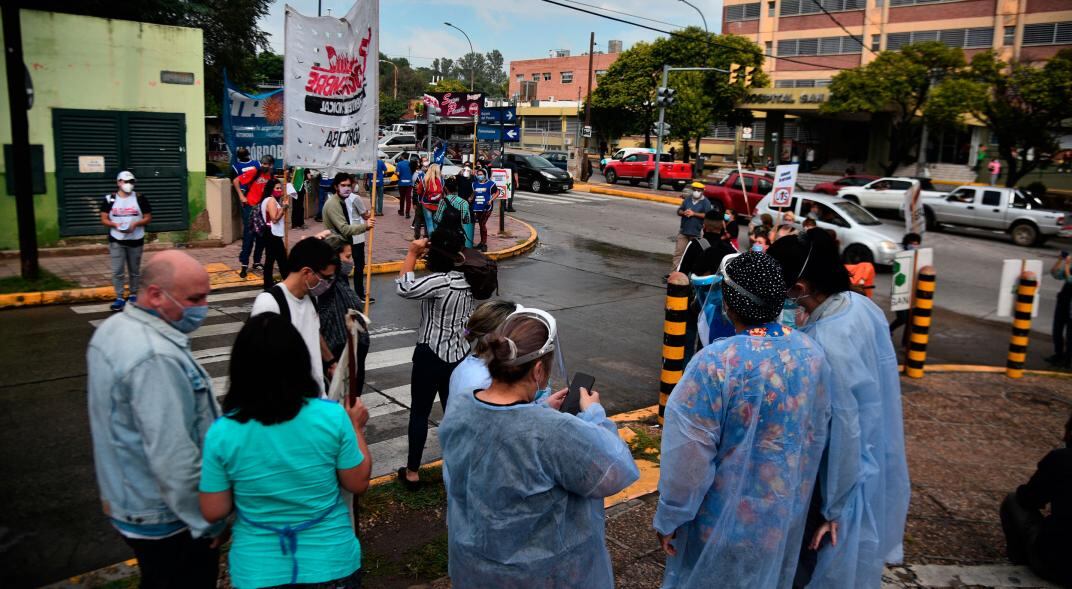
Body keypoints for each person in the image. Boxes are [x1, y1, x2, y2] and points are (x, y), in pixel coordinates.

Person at [654, 251, 832, 589]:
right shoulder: (810, 354)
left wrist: (670, 517)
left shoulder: (716, 364)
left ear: (729, 303)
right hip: (782, 516)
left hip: (719, 520)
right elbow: (817, 434)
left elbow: (687, 459)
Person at [439, 310, 639, 588]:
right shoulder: (553, 432)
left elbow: (498, 435)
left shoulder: (461, 407)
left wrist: (540, 408)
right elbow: (615, 470)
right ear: (537, 371)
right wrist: (594, 414)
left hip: (475, 568)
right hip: (544, 577)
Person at [767, 229, 910, 589]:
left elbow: (844, 432)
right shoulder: (862, 306)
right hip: (872, 456)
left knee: (812, 563)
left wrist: (834, 507)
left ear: (799, 288)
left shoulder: (823, 345)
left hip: (836, 477)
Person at [199, 313, 372, 589]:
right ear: (300, 361)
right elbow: (357, 481)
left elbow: (213, 509)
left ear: (241, 368)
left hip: (258, 568)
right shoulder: (331, 417)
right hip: (331, 561)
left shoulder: (222, 432)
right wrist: (357, 428)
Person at [87, 250, 224, 588]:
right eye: (194, 299)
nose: (203, 307)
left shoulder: (115, 329)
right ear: (155, 295)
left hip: (131, 500)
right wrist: (208, 522)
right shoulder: (155, 358)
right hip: (169, 519)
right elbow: (173, 457)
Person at [395, 229, 474, 487]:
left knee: (419, 413)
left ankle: (413, 472)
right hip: (458, 356)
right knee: (453, 413)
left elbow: (405, 288)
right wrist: (460, 335)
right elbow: (471, 323)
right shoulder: (469, 279)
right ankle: (458, 466)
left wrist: (411, 253)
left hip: (430, 354)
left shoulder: (441, 281)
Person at [251, 237, 338, 395]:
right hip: (292, 408)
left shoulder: (310, 296)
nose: (328, 283)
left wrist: (331, 362)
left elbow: (313, 331)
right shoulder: (269, 303)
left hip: (316, 400)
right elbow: (260, 364)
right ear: (306, 272)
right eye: (326, 278)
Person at [999, 411, 1072, 587]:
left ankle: (1022, 559)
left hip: (1056, 566)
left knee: (1012, 501)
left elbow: (1027, 499)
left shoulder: (1061, 459)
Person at [318, 235, 371, 395]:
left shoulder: (341, 281)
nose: (350, 262)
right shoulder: (327, 283)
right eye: (347, 257)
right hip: (340, 358)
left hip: (353, 359)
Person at [100, 170, 153, 311]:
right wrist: (115, 225)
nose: (129, 184)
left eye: (131, 182)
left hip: (136, 238)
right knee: (117, 270)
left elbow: (148, 217)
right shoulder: (110, 199)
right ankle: (119, 297)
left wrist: (135, 224)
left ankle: (133, 294)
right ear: (119, 182)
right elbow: (104, 218)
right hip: (117, 239)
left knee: (134, 270)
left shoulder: (140, 198)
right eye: (125, 181)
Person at [322, 173, 375, 304]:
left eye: (349, 185)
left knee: (346, 274)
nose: (347, 188)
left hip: (347, 241)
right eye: (343, 185)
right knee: (342, 278)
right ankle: (351, 301)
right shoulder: (334, 204)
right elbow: (344, 228)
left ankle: (351, 299)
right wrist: (365, 226)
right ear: (336, 187)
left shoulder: (341, 201)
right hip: (339, 244)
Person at [238, 155, 275, 278]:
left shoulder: (271, 177)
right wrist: (241, 196)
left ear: (271, 165)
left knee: (262, 236)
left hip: (263, 209)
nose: (264, 166)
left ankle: (257, 261)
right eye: (263, 164)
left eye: (267, 164)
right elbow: (236, 181)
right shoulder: (254, 172)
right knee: (249, 236)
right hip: (250, 207)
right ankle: (244, 264)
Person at [672, 182, 715, 271]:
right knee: (678, 253)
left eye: (698, 190)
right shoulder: (687, 199)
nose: (696, 192)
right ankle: (674, 273)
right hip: (683, 231)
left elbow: (707, 215)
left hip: (696, 233)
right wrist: (684, 212)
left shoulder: (706, 202)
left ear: (702, 191)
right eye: (694, 190)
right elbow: (679, 211)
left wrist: (694, 214)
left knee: (694, 255)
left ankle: (690, 273)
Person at [889, 233, 922, 338]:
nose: (915, 246)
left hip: (912, 292)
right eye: (912, 243)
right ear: (907, 244)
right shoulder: (901, 257)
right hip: (900, 292)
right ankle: (888, 330)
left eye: (917, 244)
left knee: (910, 320)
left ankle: (905, 343)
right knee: (902, 318)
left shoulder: (918, 257)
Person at [259, 179, 289, 291]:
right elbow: (274, 218)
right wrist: (284, 208)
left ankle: (268, 284)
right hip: (272, 233)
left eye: (280, 188)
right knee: (282, 259)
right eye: (277, 188)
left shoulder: (268, 200)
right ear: (271, 189)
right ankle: (287, 282)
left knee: (271, 259)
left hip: (270, 233)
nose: (279, 190)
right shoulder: (271, 200)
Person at [471, 167, 498, 252]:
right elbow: (474, 193)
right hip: (477, 207)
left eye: (481, 174)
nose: (480, 176)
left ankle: (484, 244)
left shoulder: (491, 184)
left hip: (487, 208)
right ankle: (482, 243)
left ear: (485, 175)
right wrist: (471, 198)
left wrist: (491, 200)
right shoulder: (474, 184)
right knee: (480, 225)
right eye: (478, 175)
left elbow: (497, 192)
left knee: (482, 224)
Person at [419, 163, 445, 235]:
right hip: (437, 204)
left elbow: (419, 191)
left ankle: (431, 241)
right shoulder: (441, 180)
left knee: (429, 223)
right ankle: (436, 241)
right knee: (436, 223)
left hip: (426, 203)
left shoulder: (424, 179)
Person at [396, 151, 414, 218]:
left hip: (401, 183)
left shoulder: (399, 164)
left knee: (402, 198)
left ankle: (401, 211)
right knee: (408, 199)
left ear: (402, 157)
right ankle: (407, 213)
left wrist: (399, 176)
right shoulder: (410, 164)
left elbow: (397, 173)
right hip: (409, 183)